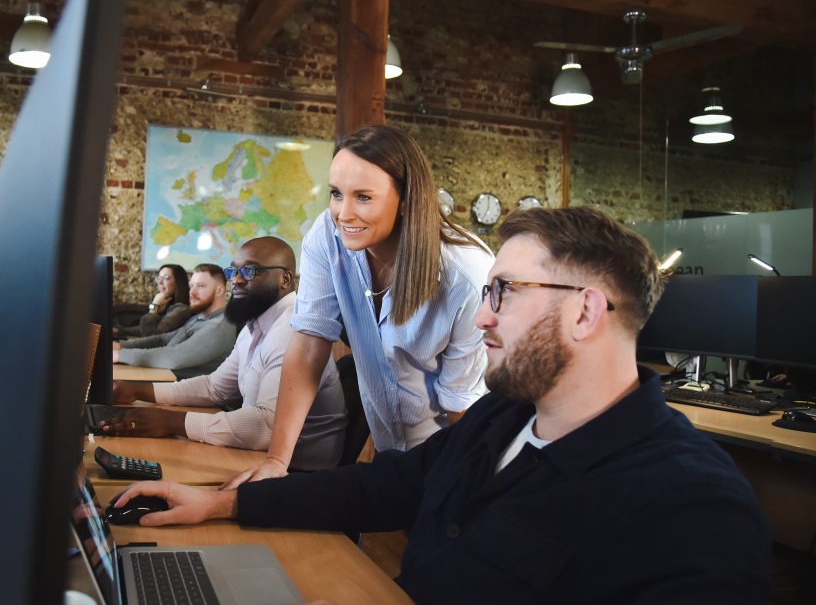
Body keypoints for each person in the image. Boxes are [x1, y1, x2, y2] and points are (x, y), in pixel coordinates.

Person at [112, 206, 770, 604]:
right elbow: (379, 489)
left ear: (587, 310)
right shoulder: (501, 419)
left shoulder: (693, 510)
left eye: (503, 293)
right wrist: (222, 502)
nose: (482, 321)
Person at [229, 125, 494, 486]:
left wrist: (459, 492)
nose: (344, 213)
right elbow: (308, 345)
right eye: (337, 194)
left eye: (363, 197)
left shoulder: (465, 274)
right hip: (389, 449)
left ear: (406, 199)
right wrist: (277, 460)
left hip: (450, 451)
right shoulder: (326, 237)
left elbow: (461, 404)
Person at [100, 237, 348, 470]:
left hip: (297, 472)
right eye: (233, 271)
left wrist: (171, 422)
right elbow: (214, 387)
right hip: (260, 455)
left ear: (285, 279)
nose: (237, 280)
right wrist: (137, 390)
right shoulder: (255, 326)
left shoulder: (291, 329)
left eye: (250, 271)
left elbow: (267, 425)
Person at [112, 264, 236, 378]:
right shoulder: (201, 317)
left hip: (186, 395)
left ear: (220, 290)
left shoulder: (218, 326)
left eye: (200, 286)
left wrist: (121, 355)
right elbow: (163, 339)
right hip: (168, 379)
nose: (192, 292)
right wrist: (121, 345)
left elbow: (174, 356)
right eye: (191, 286)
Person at [137, 263, 191, 337]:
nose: (160, 282)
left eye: (166, 278)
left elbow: (152, 335)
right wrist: (121, 330)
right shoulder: (166, 302)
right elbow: (144, 328)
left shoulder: (181, 309)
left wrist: (154, 306)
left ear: (178, 282)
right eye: (159, 278)